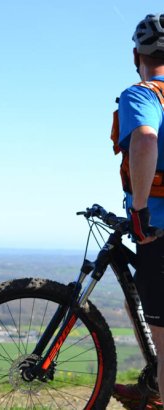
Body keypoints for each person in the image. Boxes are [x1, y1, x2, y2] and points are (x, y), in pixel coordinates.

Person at [112, 13, 164, 410]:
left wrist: (141, 210)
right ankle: (151, 385)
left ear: (136, 56)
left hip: (160, 232)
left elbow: (145, 139)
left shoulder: (142, 94)